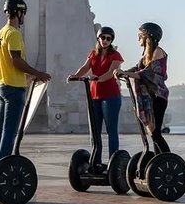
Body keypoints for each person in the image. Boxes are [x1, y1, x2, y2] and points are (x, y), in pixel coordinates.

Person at [0, 0, 51, 166]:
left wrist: (29, 77)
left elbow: (6, 64)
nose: (23, 16)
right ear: (18, 12)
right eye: (23, 13)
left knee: (0, 129)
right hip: (13, 89)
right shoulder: (14, 33)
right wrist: (38, 73)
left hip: (1, 86)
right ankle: (3, 166)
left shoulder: (0, 34)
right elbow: (16, 61)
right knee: (10, 131)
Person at [68, 26, 124, 170]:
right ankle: (96, 162)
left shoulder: (115, 55)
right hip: (94, 96)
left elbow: (111, 72)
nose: (105, 41)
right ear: (98, 38)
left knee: (111, 131)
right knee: (95, 131)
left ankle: (113, 163)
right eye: (103, 37)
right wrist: (75, 76)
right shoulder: (93, 54)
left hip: (111, 96)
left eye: (108, 39)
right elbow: (85, 68)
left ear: (111, 41)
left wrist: (97, 79)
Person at [115, 22, 170, 154]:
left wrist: (127, 74)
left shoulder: (158, 51)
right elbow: (137, 68)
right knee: (153, 134)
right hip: (150, 97)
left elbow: (147, 73)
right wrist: (123, 72)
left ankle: (168, 159)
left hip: (158, 97)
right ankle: (159, 159)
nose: (138, 38)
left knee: (156, 133)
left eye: (140, 35)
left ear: (148, 37)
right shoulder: (146, 55)